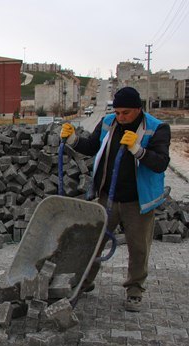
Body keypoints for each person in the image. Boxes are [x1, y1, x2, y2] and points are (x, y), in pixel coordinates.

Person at [60, 86, 170, 312]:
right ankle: (84, 282)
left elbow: (160, 163)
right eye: (118, 112)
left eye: (126, 113)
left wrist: (137, 149)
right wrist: (72, 140)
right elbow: (91, 147)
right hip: (106, 197)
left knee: (138, 247)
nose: (120, 117)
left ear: (138, 110)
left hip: (137, 201)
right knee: (93, 242)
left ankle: (135, 290)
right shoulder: (109, 122)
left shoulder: (157, 128)